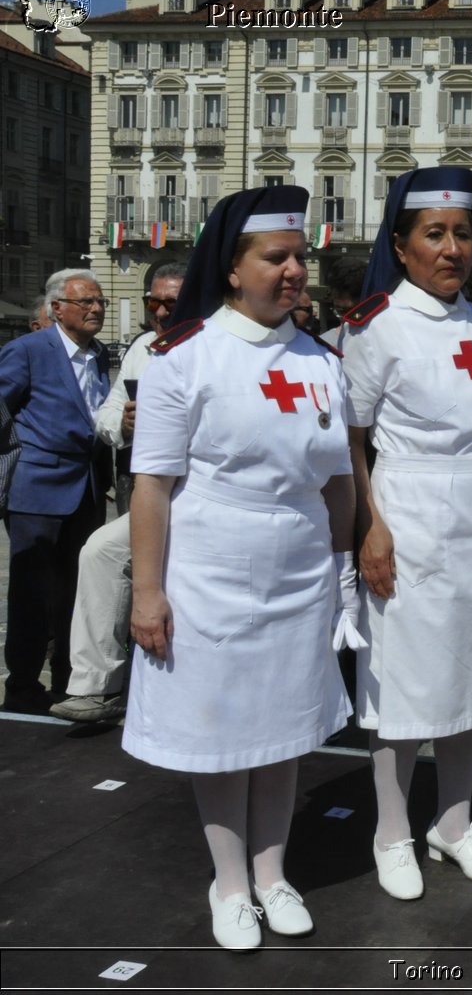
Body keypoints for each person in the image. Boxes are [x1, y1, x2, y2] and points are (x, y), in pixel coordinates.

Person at [123, 185, 354, 949]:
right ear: (231, 267)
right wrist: (148, 592)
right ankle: (229, 883)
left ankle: (273, 872)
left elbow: (339, 478)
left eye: (299, 257)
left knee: (285, 727)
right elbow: (151, 486)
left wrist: (347, 566)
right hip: (210, 569)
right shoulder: (181, 359)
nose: (294, 271)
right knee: (222, 731)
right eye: (275, 257)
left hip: (298, 569)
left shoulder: (320, 359)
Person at [341, 166, 472, 900]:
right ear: (402, 244)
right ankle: (393, 829)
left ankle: (453, 823)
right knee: (405, 685)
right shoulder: (376, 325)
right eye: (434, 235)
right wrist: (371, 525)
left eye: (461, 234)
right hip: (411, 511)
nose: (452, 249)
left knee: (471, 679)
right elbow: (352, 441)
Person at [49, 266, 186, 723]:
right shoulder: (143, 349)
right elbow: (106, 416)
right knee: (101, 552)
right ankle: (95, 687)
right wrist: (123, 425)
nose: (162, 312)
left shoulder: (213, 346)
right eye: (154, 303)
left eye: (171, 303)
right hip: (154, 493)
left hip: (203, 490)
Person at [0, 269, 113, 713]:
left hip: (85, 488)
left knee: (77, 592)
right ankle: (23, 686)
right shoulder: (28, 350)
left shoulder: (98, 355)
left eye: (99, 301)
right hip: (37, 489)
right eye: (85, 302)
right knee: (32, 593)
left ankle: (69, 678)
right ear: (57, 309)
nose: (97, 308)